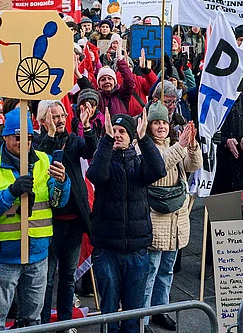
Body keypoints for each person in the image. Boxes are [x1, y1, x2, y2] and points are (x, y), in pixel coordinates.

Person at [0, 108, 70, 332]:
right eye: (17, 137)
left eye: (28, 137)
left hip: (38, 253)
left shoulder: (44, 160)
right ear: (6, 137)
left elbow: (58, 202)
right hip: (5, 255)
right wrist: (11, 192)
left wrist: (62, 182)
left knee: (33, 320)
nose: (23, 142)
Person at [87, 112, 167, 333]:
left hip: (136, 248)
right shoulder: (104, 158)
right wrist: (106, 139)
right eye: (114, 131)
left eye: (122, 131)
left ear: (131, 137)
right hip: (107, 248)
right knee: (109, 311)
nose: (117, 135)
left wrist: (144, 138)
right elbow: (96, 175)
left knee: (133, 312)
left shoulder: (139, 163)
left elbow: (158, 170)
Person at [33, 99, 96, 326]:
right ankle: (43, 325)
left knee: (68, 277)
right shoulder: (37, 143)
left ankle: (65, 323)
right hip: (49, 222)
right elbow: (41, 161)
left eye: (62, 116)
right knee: (47, 278)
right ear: (43, 120)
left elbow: (91, 150)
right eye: (54, 116)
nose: (60, 120)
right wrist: (50, 136)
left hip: (74, 221)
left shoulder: (73, 140)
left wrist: (87, 126)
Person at [144, 106, 201, 331]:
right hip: (156, 218)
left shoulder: (174, 144)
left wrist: (192, 146)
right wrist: (181, 146)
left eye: (164, 123)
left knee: (166, 271)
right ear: (149, 126)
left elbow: (193, 165)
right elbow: (158, 168)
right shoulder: (144, 146)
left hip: (176, 219)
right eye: (156, 122)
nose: (161, 126)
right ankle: (143, 318)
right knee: (150, 272)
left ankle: (161, 310)